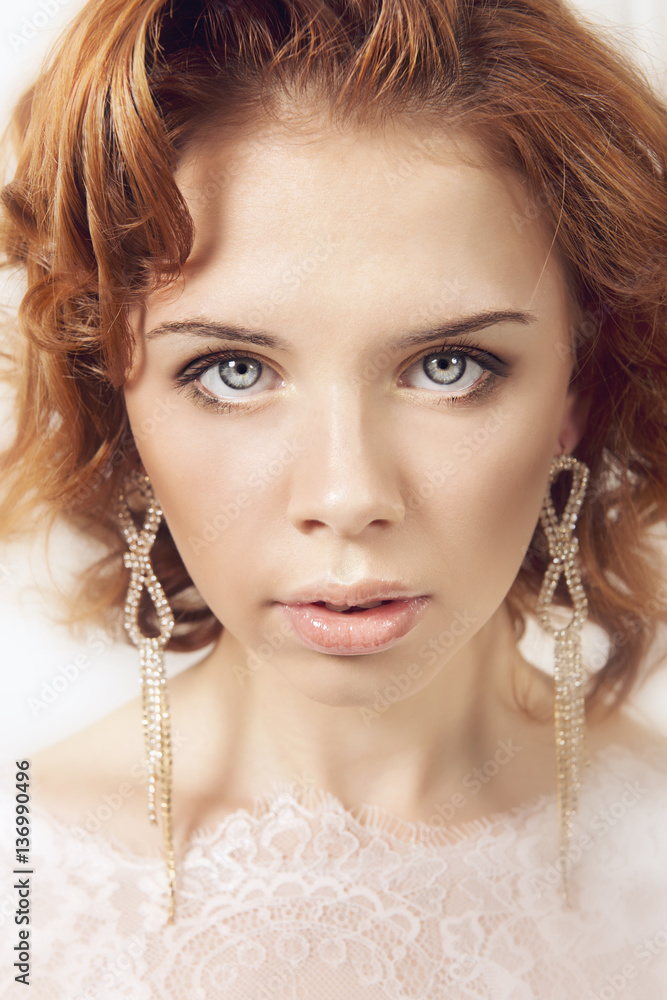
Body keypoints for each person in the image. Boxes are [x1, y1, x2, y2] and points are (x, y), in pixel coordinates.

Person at [1, 0, 667, 996]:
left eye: (449, 366)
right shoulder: (24, 878)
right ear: (117, 397)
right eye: (230, 371)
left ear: (578, 384)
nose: (347, 495)